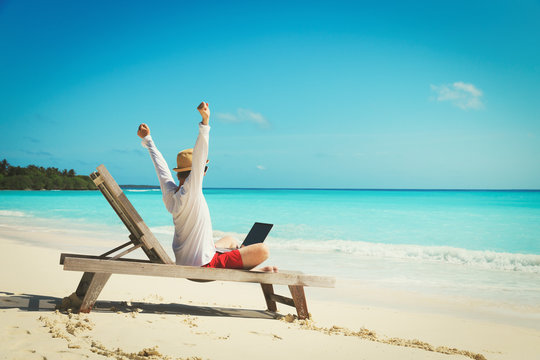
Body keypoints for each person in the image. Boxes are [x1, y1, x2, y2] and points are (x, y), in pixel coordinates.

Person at [137, 102, 277, 272]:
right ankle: (251, 269)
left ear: (179, 173)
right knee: (263, 249)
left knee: (230, 240)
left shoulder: (170, 194)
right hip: (203, 265)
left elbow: (162, 170)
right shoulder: (191, 191)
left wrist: (148, 140)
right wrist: (205, 122)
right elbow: (199, 158)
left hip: (186, 260)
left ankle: (238, 257)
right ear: (202, 171)